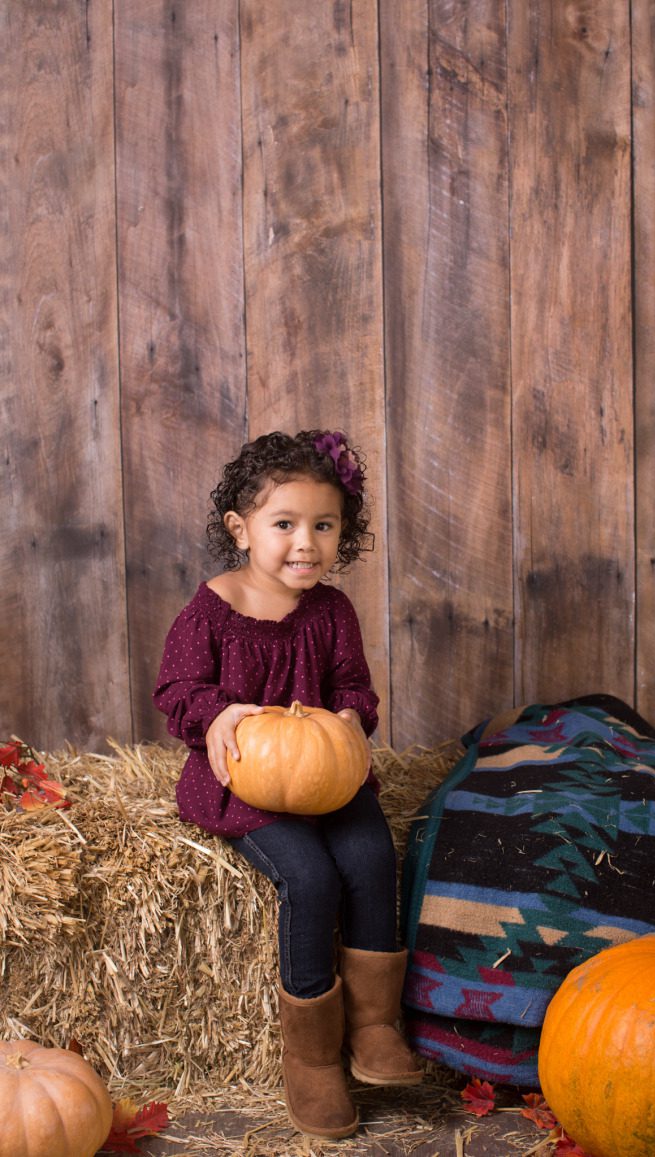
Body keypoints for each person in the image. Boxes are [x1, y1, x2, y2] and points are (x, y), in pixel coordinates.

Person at [153, 429, 421, 1140]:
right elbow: (175, 687)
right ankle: (310, 1057)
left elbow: (356, 692)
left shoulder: (331, 612)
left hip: (326, 775)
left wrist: (343, 720)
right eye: (285, 524)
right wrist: (217, 712)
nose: (306, 542)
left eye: (323, 525)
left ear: (343, 533)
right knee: (308, 875)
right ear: (241, 530)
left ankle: (373, 1026)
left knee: (369, 856)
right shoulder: (211, 608)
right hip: (243, 780)